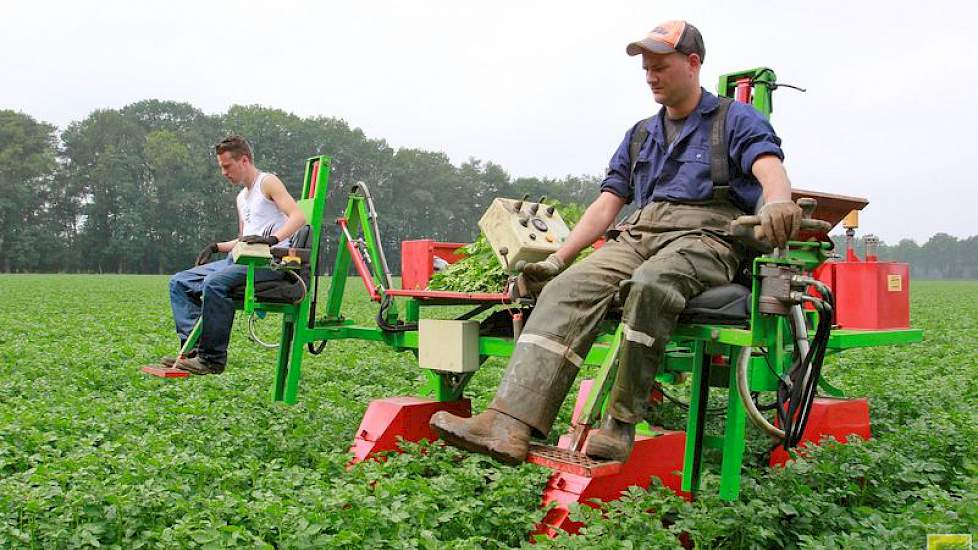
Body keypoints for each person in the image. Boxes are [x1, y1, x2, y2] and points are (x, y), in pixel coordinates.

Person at [430, 20, 803, 464]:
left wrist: (778, 201)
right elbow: (608, 205)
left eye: (660, 66)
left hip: (708, 236)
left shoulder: (733, 119)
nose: (651, 77)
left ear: (693, 63)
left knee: (652, 283)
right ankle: (508, 423)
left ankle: (620, 424)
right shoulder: (641, 133)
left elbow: (768, 165)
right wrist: (558, 260)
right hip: (640, 232)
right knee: (566, 290)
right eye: (646, 69)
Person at [163, 135, 306, 375]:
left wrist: (271, 240)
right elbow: (245, 239)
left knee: (214, 283)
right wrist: (217, 247)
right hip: (242, 259)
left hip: (270, 263)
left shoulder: (267, 182)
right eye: (221, 167)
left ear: (245, 160)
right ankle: (193, 350)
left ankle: (212, 359)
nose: (224, 173)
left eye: (227, 167)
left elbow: (298, 217)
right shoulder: (241, 197)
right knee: (179, 282)